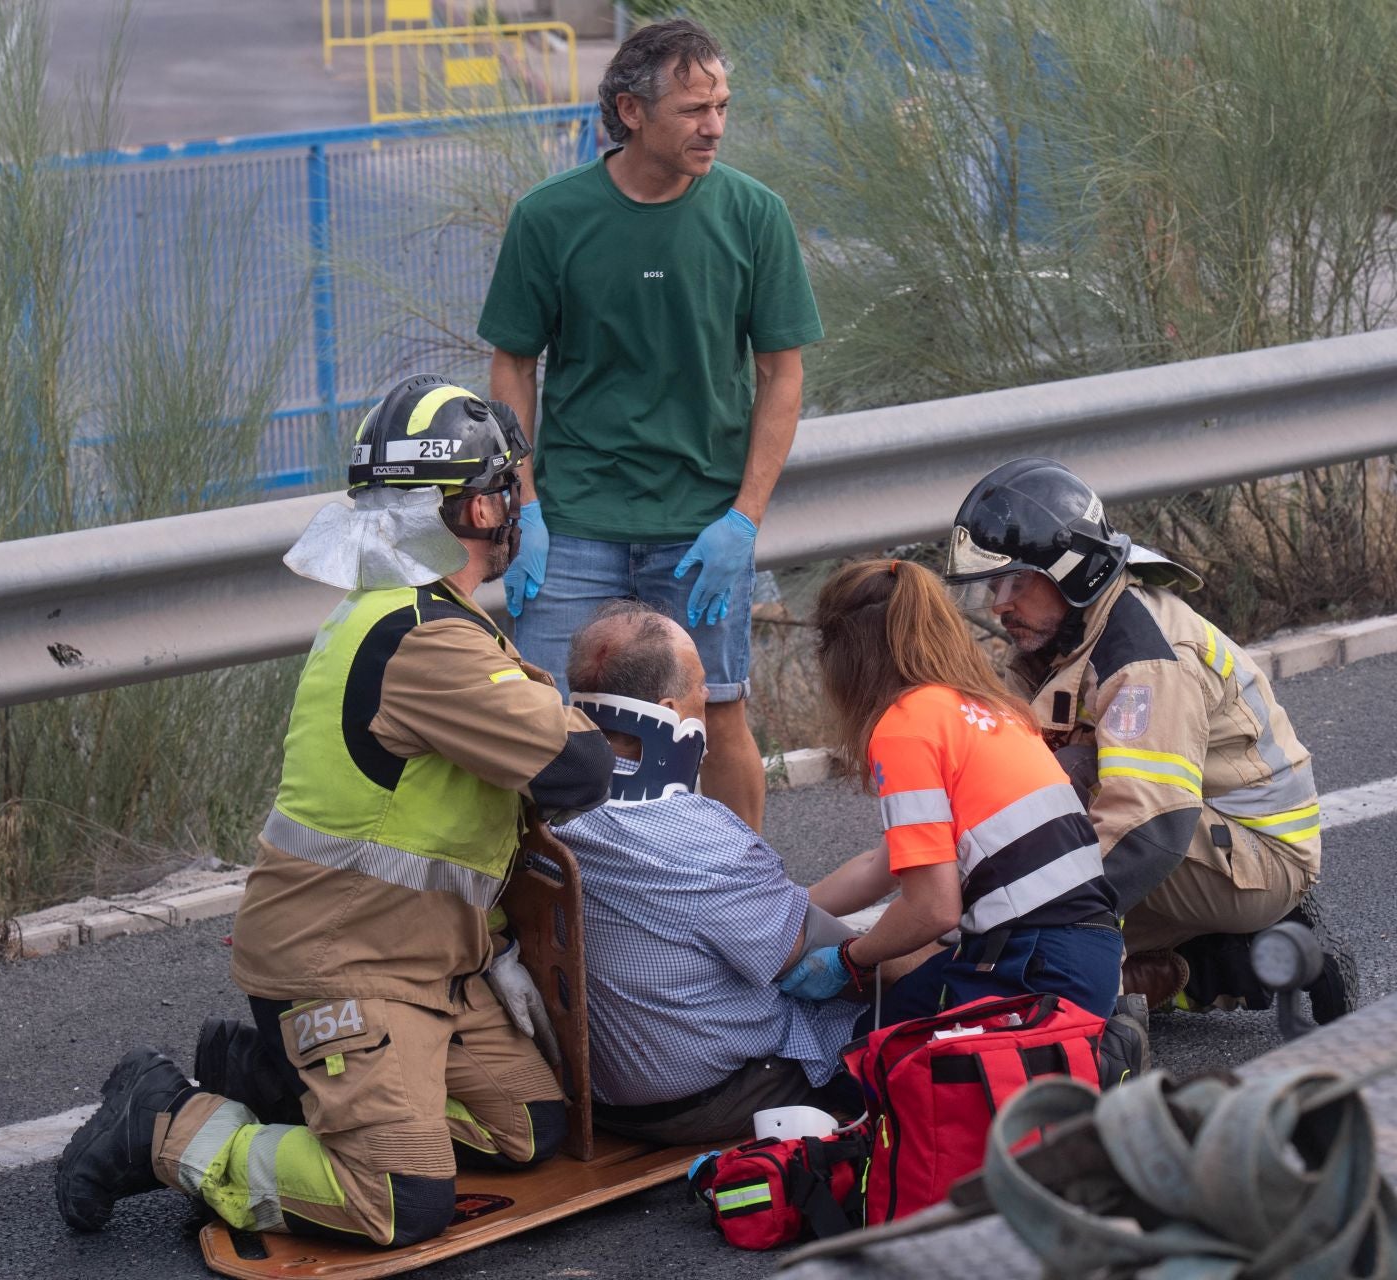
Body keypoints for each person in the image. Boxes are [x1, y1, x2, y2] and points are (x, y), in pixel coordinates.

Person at [55, 375, 615, 1247]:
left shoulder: (409, 611)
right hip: (344, 965)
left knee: (528, 1129)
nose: (514, 508)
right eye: (505, 490)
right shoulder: (422, 638)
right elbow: (577, 766)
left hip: (423, 962)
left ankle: (283, 1083)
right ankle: (171, 1126)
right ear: (466, 511)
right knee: (399, 1198)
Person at [478, 17, 824, 832]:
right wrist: (523, 507)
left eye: (723, 106)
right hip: (573, 527)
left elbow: (782, 375)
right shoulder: (550, 218)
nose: (714, 126)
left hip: (702, 529)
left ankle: (742, 907)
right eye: (694, 109)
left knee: (718, 718)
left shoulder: (753, 215)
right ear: (631, 111)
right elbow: (511, 366)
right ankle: (551, 927)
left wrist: (744, 519)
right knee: (547, 729)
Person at [942, 458, 1355, 1020]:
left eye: (1014, 582)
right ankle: (1185, 956)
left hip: (1253, 854)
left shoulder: (1142, 660)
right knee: (1015, 913)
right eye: (993, 585)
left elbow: (1150, 826)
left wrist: (1035, 913)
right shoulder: (1069, 629)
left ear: (1070, 570)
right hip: (1198, 836)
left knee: (1035, 951)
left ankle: (1236, 958)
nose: (998, 604)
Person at [554, 600, 862, 1145]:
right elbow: (813, 951)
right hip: (713, 1096)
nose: (707, 701)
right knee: (899, 999)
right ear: (671, 709)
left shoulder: (544, 806)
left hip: (596, 1092)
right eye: (701, 688)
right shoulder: (693, 832)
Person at [781, 560, 1125, 1025]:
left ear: (847, 654)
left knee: (864, 1058)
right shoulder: (988, 707)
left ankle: (1078, 1049)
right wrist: (785, 908)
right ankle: (1094, 1040)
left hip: (1036, 961)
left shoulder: (903, 729)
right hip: (1084, 949)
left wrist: (849, 959)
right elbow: (880, 867)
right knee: (902, 1002)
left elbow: (933, 909)